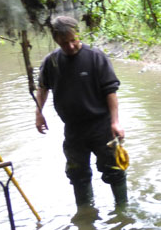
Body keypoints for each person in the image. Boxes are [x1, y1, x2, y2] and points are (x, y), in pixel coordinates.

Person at [35, 15, 128, 208]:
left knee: (114, 169)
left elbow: (110, 91)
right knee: (77, 173)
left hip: (101, 126)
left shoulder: (95, 57)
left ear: (78, 35)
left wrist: (115, 122)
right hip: (73, 129)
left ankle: (122, 210)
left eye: (73, 40)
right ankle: (85, 214)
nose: (69, 46)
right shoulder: (51, 62)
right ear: (56, 40)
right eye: (64, 43)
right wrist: (38, 113)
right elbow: (43, 87)